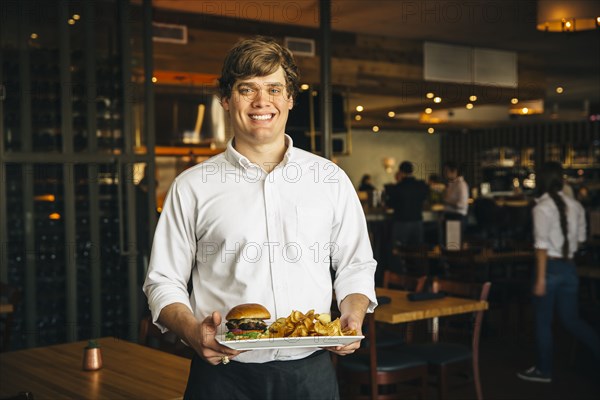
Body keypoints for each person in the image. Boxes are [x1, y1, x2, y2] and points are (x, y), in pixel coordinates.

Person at [143, 36, 377, 400]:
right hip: (222, 377)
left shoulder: (329, 179)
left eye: (274, 88)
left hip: (311, 373)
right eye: (246, 89)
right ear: (226, 99)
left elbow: (355, 265)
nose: (261, 101)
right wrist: (192, 332)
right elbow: (162, 281)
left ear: (290, 99)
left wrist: (354, 312)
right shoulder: (192, 186)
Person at [517, 161, 600, 383]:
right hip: (569, 267)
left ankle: (544, 370)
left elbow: (542, 247)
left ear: (541, 180)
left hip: (549, 267)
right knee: (572, 320)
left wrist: (541, 278)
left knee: (543, 321)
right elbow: (581, 239)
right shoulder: (576, 206)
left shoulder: (541, 207)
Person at [386, 161, 429, 247]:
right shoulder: (421, 185)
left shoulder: (397, 188)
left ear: (401, 172)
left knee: (399, 251)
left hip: (401, 223)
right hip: (417, 222)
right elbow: (425, 198)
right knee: (416, 252)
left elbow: (390, 204)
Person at [442, 161, 469, 245]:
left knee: (454, 246)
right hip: (450, 216)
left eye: (446, 171)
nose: (445, 173)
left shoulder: (461, 184)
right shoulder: (452, 184)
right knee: (450, 246)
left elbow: (462, 204)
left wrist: (447, 201)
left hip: (457, 217)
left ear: (454, 171)